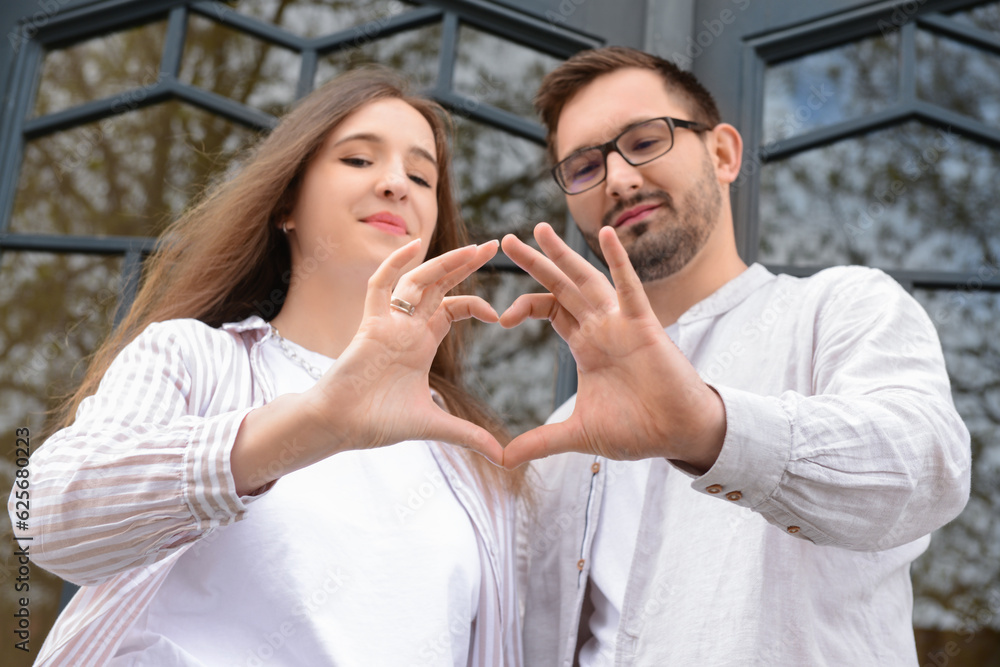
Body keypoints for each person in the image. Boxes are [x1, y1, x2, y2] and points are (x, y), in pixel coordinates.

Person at [12, 68, 524, 666]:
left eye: (421, 175)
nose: (395, 185)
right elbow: (42, 514)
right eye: (359, 160)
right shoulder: (190, 358)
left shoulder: (473, 459)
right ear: (287, 204)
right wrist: (312, 424)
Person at [501, 46, 971, 665]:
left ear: (723, 153)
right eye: (585, 167)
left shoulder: (838, 308)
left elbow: (927, 469)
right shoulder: (564, 437)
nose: (618, 178)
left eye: (644, 141)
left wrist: (710, 430)